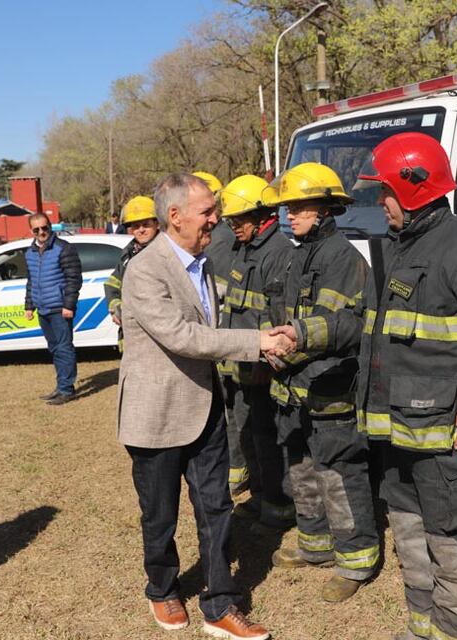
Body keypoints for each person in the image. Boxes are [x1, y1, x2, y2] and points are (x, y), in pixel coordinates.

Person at [297, 132, 457, 639]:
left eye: (385, 191)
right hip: (400, 437)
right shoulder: (397, 249)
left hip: (448, 444)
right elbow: (371, 327)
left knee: (454, 542)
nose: (379, 201)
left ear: (414, 189)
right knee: (411, 536)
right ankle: (421, 626)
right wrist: (304, 334)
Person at [118, 171, 291, 638]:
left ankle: (220, 603)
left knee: (216, 507)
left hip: (206, 407)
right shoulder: (144, 269)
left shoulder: (205, 262)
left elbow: (213, 324)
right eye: (208, 211)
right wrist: (257, 342)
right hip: (156, 413)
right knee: (160, 514)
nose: (217, 218)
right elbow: (183, 336)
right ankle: (162, 588)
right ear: (175, 216)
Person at [267, 162, 379, 603]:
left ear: (326, 210)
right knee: (302, 467)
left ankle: (356, 560)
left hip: (330, 386)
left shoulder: (342, 258)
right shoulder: (299, 254)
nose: (289, 215)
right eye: (288, 208)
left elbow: (342, 325)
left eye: (299, 207)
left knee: (339, 473)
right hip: (294, 385)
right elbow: (282, 311)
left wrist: (288, 345)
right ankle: (315, 544)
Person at [217, 175, 294, 528]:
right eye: (230, 220)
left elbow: (276, 315)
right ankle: (261, 495)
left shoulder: (278, 253)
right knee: (251, 434)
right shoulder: (244, 250)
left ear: (262, 215)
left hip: (263, 367)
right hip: (241, 365)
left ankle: (279, 505)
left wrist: (267, 361)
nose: (233, 226)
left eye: (239, 219)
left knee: (270, 437)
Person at [194, 170, 251, 496]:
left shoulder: (222, 241)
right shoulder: (218, 239)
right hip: (221, 342)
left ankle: (237, 470)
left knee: (233, 411)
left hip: (227, 343)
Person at [24, 212, 82, 405]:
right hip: (42, 308)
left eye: (44, 227)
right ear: (31, 231)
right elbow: (31, 281)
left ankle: (67, 390)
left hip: (60, 309)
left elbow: (74, 279)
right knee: (55, 348)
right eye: (36, 230)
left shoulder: (63, 248)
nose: (41, 232)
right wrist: (29, 305)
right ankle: (60, 386)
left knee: (64, 348)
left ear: (50, 226)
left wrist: (68, 305)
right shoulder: (30, 252)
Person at [104, 195, 160, 352]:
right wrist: (117, 308)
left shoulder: (166, 252)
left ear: (157, 223)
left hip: (157, 333)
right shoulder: (128, 253)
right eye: (136, 226)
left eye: (146, 225)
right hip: (132, 334)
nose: (141, 230)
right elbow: (111, 284)